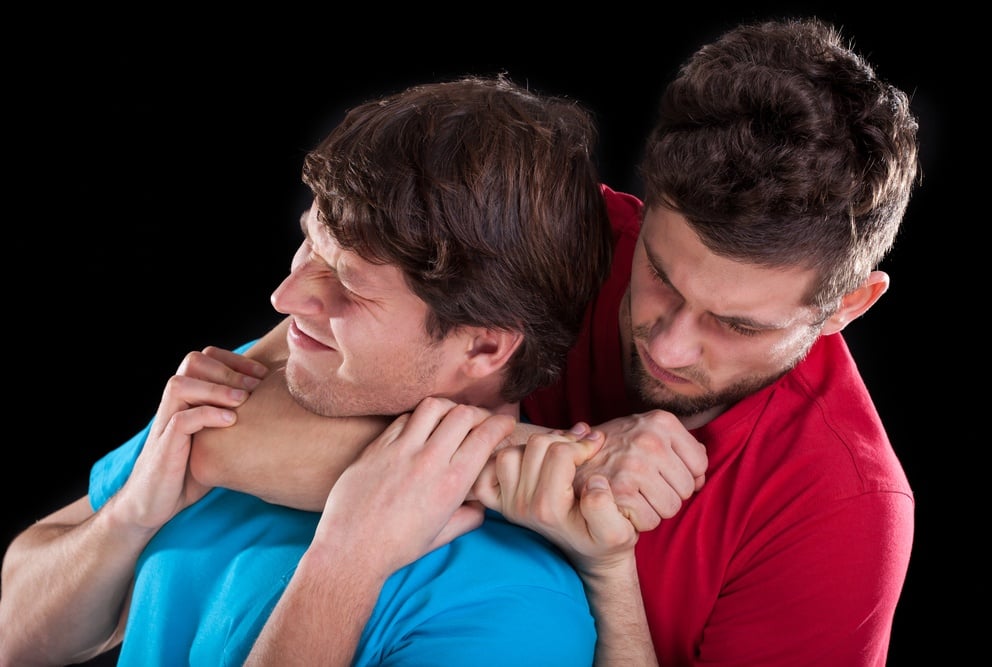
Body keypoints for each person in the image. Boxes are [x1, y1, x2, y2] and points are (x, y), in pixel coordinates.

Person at [184, 16, 921, 667]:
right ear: (645, 202)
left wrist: (607, 567)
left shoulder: (842, 512)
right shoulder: (559, 242)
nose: (669, 347)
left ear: (847, 306)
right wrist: (530, 463)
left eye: (738, 325)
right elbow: (219, 423)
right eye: (660, 274)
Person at [0, 74, 655, 666]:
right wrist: (130, 516)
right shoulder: (254, 398)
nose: (286, 300)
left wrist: (346, 564)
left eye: (347, 281)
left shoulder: (512, 610)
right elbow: (15, 636)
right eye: (309, 244)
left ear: (483, 347)